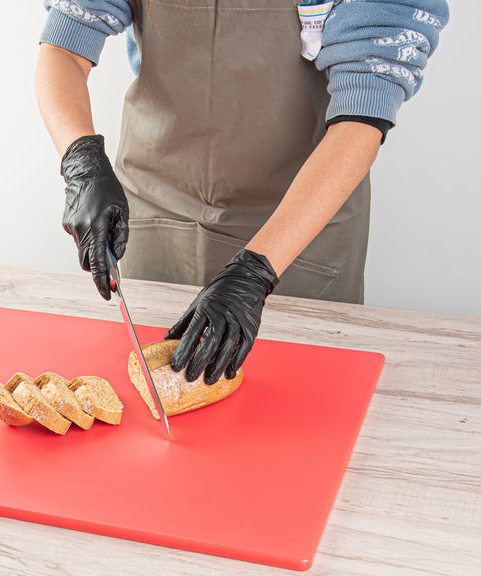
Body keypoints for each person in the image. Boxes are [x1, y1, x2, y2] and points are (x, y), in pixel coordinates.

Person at [35, 0, 449, 385]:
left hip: (302, 218)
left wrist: (257, 271)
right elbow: (66, 44)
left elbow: (364, 112)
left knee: (297, 396)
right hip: (154, 203)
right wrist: (81, 160)